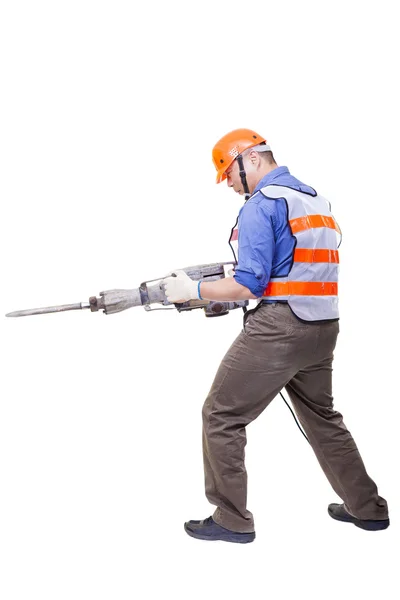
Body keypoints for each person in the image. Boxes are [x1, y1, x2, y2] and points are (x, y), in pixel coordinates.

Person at [163, 128, 389, 543]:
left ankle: (231, 519)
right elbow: (290, 270)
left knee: (221, 415)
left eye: (228, 173)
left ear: (250, 160)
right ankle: (367, 508)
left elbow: (250, 285)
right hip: (323, 328)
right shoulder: (314, 199)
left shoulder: (261, 205)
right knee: (323, 418)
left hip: (281, 329)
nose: (228, 184)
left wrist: (192, 290)